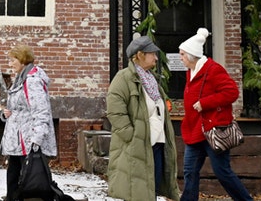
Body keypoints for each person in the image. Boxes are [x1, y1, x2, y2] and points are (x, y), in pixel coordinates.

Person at [176, 28, 253, 201]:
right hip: (195, 131)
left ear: (190, 55)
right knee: (189, 172)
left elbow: (232, 92)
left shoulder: (213, 70)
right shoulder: (191, 71)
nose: (180, 58)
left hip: (213, 130)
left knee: (222, 172)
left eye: (182, 54)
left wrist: (205, 103)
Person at [107, 35, 180, 201]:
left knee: (151, 188)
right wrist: (131, 136)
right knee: (137, 191)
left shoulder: (151, 79)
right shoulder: (124, 78)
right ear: (140, 55)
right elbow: (115, 111)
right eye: (152, 53)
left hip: (157, 143)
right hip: (138, 145)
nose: (156, 57)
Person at [0, 44, 57, 201]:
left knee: (28, 178)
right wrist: (7, 113)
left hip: (28, 139)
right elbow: (18, 105)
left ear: (22, 60)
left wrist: (37, 139)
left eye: (13, 60)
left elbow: (41, 111)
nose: (10, 64)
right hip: (18, 138)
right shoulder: (20, 78)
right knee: (14, 174)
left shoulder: (32, 81)